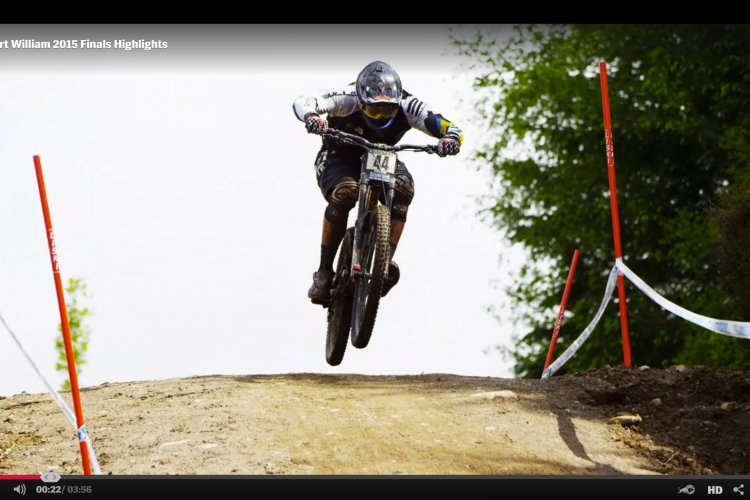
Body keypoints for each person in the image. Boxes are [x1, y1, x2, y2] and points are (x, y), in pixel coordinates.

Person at [292, 61, 464, 306]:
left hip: (382, 155)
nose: (381, 115)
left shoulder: (407, 104)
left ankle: (383, 263)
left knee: (403, 189)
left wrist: (451, 139)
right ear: (361, 102)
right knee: (345, 193)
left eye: (387, 111)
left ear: (396, 104)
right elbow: (304, 101)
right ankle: (324, 272)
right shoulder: (346, 97)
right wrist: (312, 117)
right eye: (374, 111)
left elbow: (447, 125)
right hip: (339, 156)